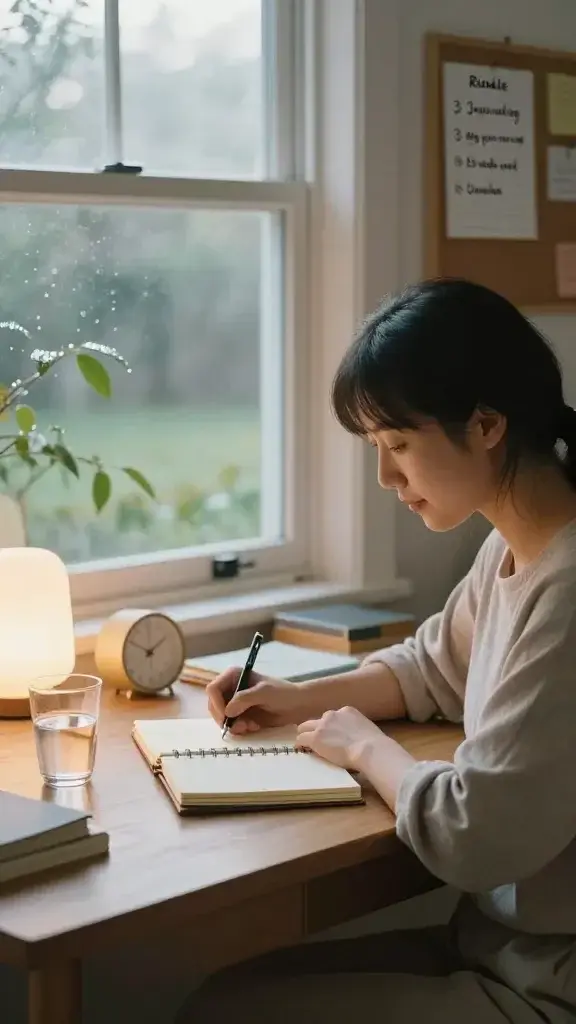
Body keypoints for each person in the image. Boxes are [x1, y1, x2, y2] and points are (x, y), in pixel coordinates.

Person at [176, 278, 576, 1023]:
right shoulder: (512, 550)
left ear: (486, 424)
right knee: (218, 998)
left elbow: (474, 835)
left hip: (550, 984)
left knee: (222, 1014)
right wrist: (299, 698)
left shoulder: (568, 588)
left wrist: (366, 749)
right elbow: (432, 668)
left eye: (397, 445)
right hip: (495, 943)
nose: (388, 477)